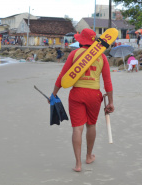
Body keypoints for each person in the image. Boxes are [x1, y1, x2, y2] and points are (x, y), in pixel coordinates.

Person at [49, 28, 114, 172]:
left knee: (77, 128)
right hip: (94, 95)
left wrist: (53, 94)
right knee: (91, 125)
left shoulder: (74, 54)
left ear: (81, 41)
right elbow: (107, 81)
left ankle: (78, 164)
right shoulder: (101, 57)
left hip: (77, 94)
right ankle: (89, 156)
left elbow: (62, 76)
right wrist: (110, 101)